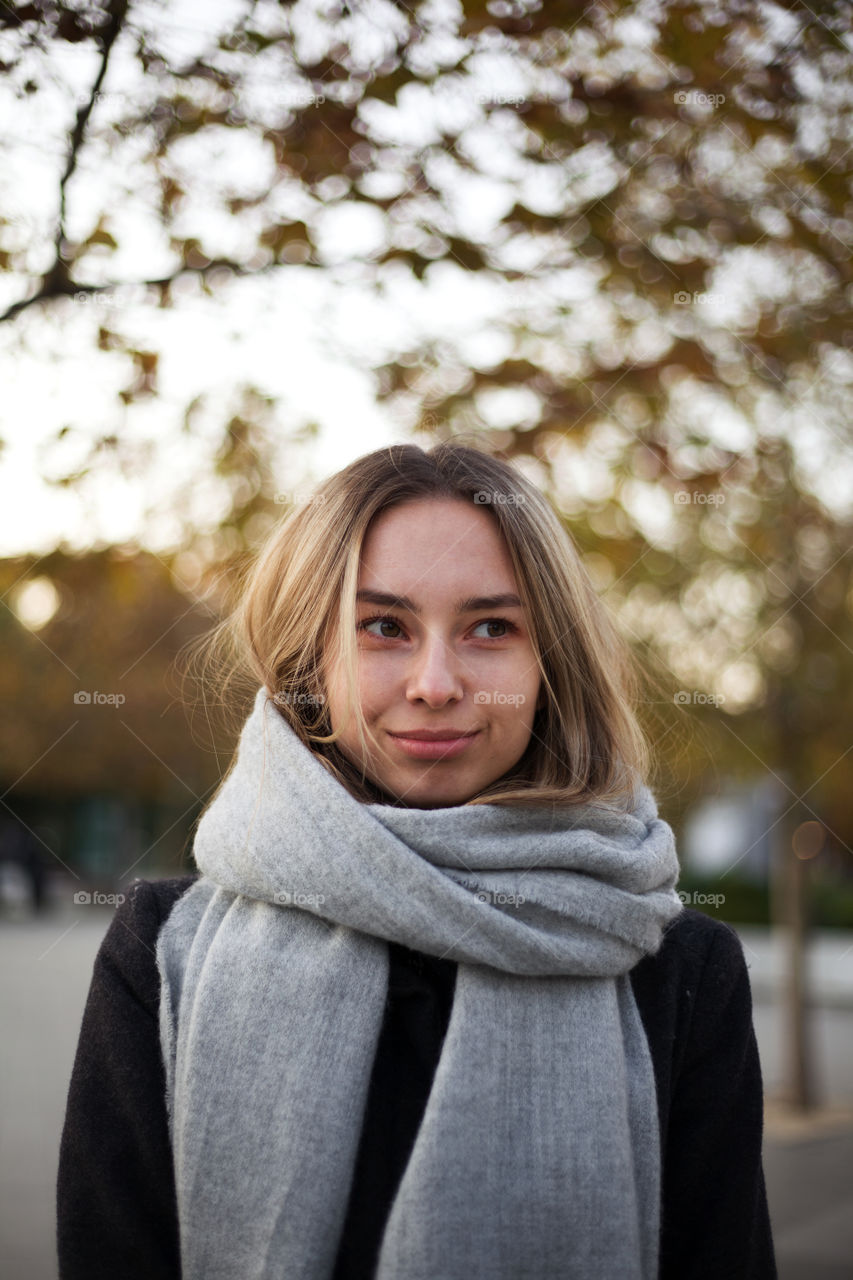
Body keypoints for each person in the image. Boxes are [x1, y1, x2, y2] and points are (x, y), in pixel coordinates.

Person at [57, 442, 777, 1279]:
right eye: (383, 628)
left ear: (551, 665)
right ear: (309, 663)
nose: (435, 683)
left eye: (490, 628)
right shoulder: (162, 950)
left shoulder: (682, 971)